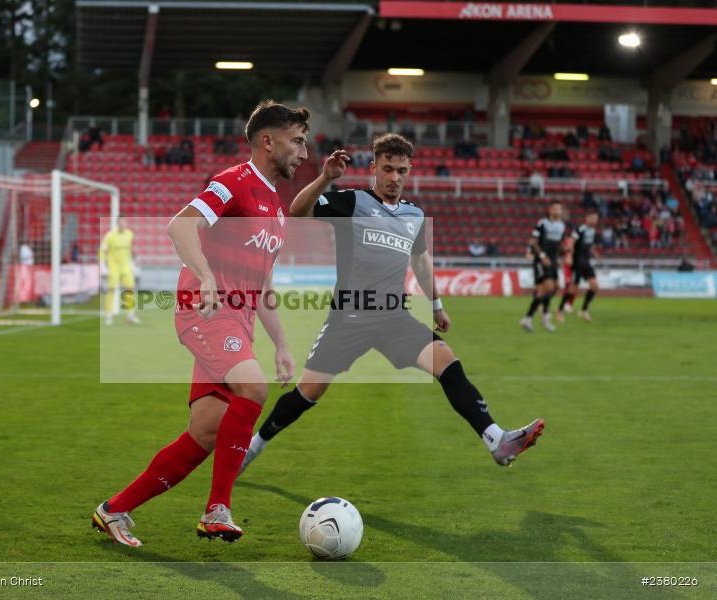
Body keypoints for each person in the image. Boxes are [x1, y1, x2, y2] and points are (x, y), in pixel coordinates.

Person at [240, 133, 544, 478]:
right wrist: (326, 177)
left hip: (394, 318)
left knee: (448, 363)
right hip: (349, 318)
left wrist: (436, 305)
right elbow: (297, 212)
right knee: (307, 394)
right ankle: (255, 446)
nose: (394, 177)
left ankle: (496, 439)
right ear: (373, 168)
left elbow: (421, 261)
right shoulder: (352, 201)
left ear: (409, 171)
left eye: (401, 170)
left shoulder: (414, 215)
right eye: (387, 169)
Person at [92, 101, 310, 546]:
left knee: (205, 434)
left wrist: (282, 345)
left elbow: (263, 283)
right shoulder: (233, 183)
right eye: (298, 141)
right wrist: (207, 276)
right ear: (268, 141)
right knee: (254, 389)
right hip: (206, 311)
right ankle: (217, 510)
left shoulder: (277, 209)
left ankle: (114, 510)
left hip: (237, 322)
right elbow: (179, 227)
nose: (304, 153)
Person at [520, 201, 566, 333]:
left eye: (560, 209)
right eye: (555, 209)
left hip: (553, 261)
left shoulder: (562, 226)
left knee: (552, 288)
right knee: (548, 287)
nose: (558, 211)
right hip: (542, 260)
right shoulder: (542, 223)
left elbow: (559, 244)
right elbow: (534, 241)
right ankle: (542, 317)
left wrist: (565, 253)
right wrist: (541, 256)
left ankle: (531, 318)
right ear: (550, 210)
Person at [557, 209, 601, 323]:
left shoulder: (592, 231)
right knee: (573, 290)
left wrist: (594, 253)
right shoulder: (580, 229)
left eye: (597, 218)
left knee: (594, 286)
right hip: (577, 263)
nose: (596, 220)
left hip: (586, 263)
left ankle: (584, 310)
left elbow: (587, 245)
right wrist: (569, 256)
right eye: (593, 217)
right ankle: (560, 309)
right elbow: (571, 241)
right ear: (587, 218)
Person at [99, 218, 140, 326]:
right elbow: (103, 249)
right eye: (121, 222)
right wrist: (103, 265)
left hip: (126, 266)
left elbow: (132, 249)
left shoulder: (129, 234)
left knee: (130, 289)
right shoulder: (110, 235)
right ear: (117, 223)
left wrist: (133, 263)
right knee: (111, 290)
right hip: (113, 267)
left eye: (125, 222)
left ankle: (130, 315)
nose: (123, 224)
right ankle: (108, 316)